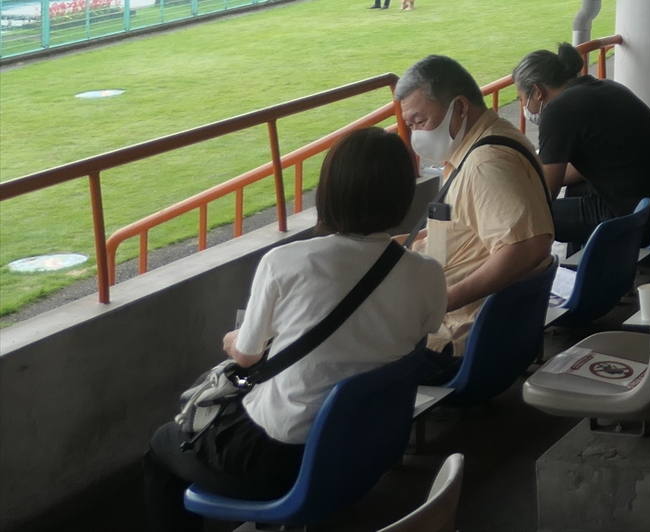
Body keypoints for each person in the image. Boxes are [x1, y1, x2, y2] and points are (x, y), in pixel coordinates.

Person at [141, 127, 445, 532]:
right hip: (365, 447)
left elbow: (246, 356)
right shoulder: (428, 273)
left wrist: (233, 340)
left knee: (161, 447)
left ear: (330, 192)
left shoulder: (285, 261)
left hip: (278, 461)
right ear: (403, 194)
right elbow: (416, 333)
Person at [398, 55, 553, 374]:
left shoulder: (485, 164)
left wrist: (444, 301)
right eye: (410, 126)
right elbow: (467, 227)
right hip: (478, 330)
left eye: (420, 121)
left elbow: (528, 245)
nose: (416, 136)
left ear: (459, 107)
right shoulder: (487, 140)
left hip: (454, 341)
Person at [513, 42, 650, 248]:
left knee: (529, 217)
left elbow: (545, 193)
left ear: (537, 91)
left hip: (644, 221)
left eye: (522, 99)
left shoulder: (558, 110)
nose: (524, 107)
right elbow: (589, 165)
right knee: (577, 190)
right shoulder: (607, 87)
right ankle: (580, 264)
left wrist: (509, 188)